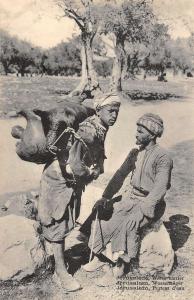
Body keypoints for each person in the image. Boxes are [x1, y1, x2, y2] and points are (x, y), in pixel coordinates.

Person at [37, 93, 121, 292]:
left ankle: (61, 259)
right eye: (111, 110)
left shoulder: (101, 127)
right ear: (98, 110)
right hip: (58, 179)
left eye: (117, 111)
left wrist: (96, 167)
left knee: (67, 219)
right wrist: (90, 172)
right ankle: (60, 272)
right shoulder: (87, 131)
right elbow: (74, 164)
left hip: (69, 181)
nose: (115, 115)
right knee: (59, 221)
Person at [84, 113, 173, 286]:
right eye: (136, 131)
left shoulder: (163, 157)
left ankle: (119, 266)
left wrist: (142, 211)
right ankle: (99, 256)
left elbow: (160, 188)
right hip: (131, 197)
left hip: (151, 203)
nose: (136, 134)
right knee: (106, 216)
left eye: (140, 132)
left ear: (152, 134)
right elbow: (120, 175)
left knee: (128, 224)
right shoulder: (135, 153)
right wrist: (105, 197)